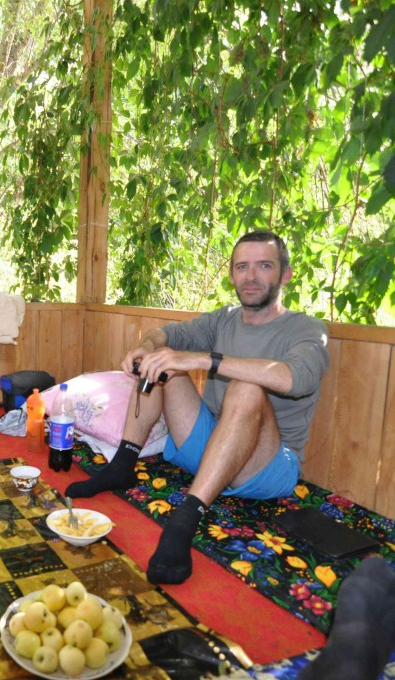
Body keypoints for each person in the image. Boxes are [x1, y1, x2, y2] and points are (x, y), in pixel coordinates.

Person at [66, 230, 330, 585]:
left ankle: (184, 520)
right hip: (210, 451)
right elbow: (166, 336)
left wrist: (206, 359)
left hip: (266, 468)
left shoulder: (306, 329)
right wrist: (147, 347)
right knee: (164, 363)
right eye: (242, 267)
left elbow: (294, 379)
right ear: (232, 274)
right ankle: (123, 463)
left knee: (248, 388)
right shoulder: (223, 318)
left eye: (264, 266)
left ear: (285, 273)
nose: (251, 276)